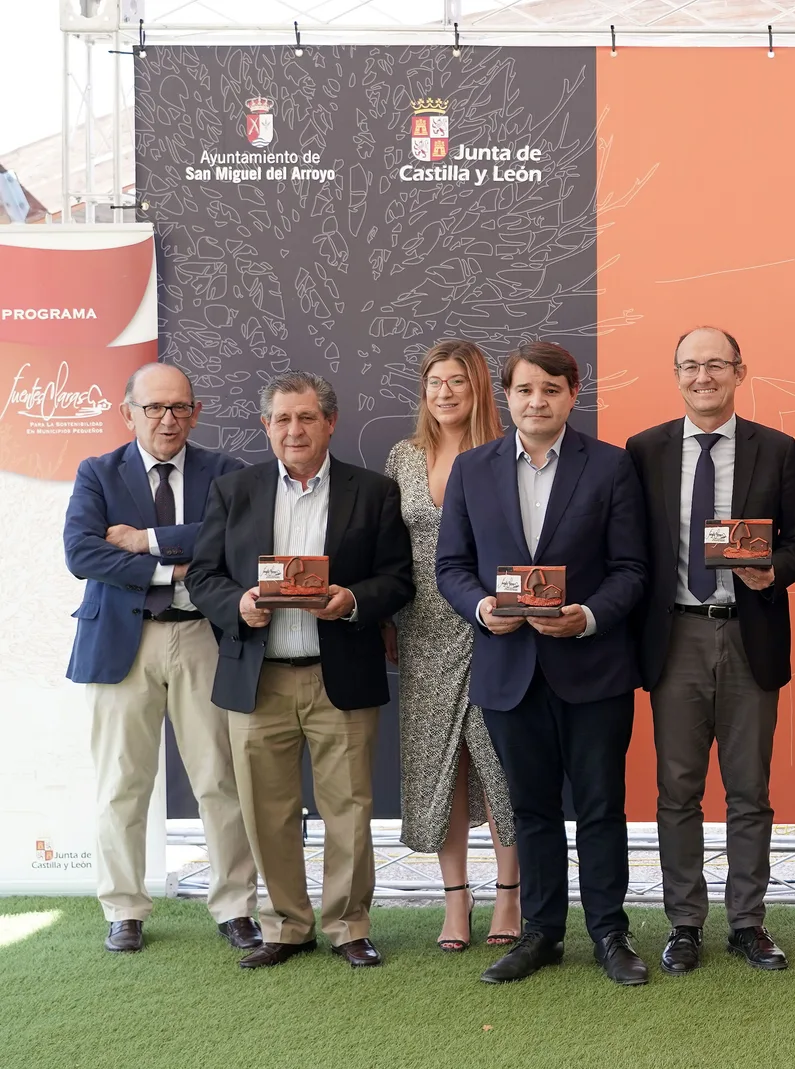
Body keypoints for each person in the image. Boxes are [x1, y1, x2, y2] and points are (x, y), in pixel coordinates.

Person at [436, 341, 650, 986]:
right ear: (507, 397)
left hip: (593, 668)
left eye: (551, 390)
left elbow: (631, 570)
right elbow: (450, 567)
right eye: (526, 390)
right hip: (509, 668)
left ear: (571, 396)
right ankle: (542, 933)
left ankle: (610, 933)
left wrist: (586, 616)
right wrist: (480, 610)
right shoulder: (473, 470)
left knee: (600, 806)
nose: (538, 401)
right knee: (529, 810)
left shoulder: (610, 467)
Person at [187, 371, 414, 969]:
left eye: (307, 418)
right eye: (282, 419)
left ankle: (348, 926)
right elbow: (204, 577)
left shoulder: (374, 491)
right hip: (257, 677)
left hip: (338, 674)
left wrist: (352, 601)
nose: (294, 429)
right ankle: (286, 925)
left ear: (329, 423)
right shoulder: (235, 491)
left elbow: (397, 579)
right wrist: (237, 605)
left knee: (350, 809)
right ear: (266, 426)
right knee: (267, 812)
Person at [626, 326, 795, 975]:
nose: (702, 376)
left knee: (749, 789)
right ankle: (684, 922)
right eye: (690, 365)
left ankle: (747, 921)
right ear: (675, 373)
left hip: (748, 630)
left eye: (715, 364)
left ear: (740, 370)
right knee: (676, 787)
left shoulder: (778, 450)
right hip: (674, 634)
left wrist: (775, 570)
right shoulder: (643, 450)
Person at [63, 363, 257, 954]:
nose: (167, 419)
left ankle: (234, 907)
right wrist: (172, 568)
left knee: (220, 779)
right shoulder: (96, 473)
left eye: (179, 408)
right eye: (154, 408)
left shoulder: (225, 471)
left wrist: (144, 540)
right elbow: (82, 553)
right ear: (128, 413)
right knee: (123, 781)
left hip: (203, 636)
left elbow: (234, 542)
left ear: (195, 413)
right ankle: (124, 909)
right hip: (122, 642)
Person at [384, 340, 522, 953]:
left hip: (496, 627)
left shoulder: (506, 453)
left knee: (502, 768)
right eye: (434, 381)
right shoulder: (404, 457)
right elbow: (390, 550)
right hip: (423, 634)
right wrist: (387, 621)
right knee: (444, 769)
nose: (444, 392)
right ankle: (455, 900)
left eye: (457, 382)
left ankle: (512, 897)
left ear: (480, 389)